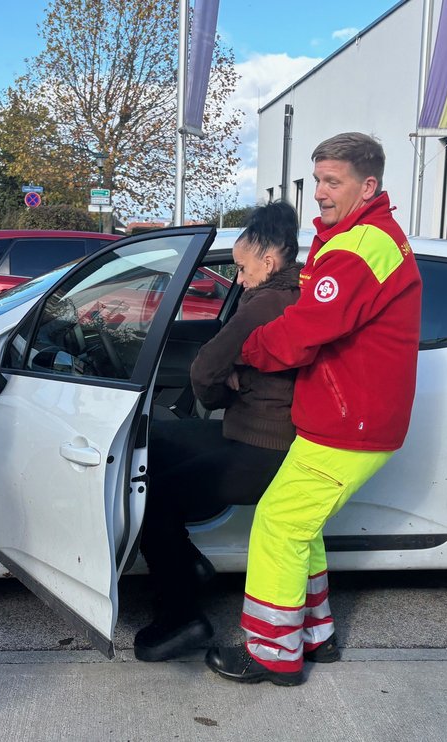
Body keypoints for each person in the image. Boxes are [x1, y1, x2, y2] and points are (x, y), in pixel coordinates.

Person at [205, 132, 423, 686]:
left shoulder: (359, 247)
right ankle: (314, 634)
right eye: (318, 180)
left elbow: (303, 331)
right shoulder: (353, 239)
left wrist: (246, 352)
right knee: (301, 527)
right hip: (345, 416)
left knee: (278, 523)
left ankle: (273, 653)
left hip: (350, 422)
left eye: (332, 181)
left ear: (367, 186)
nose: (321, 192)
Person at [135, 201, 302, 662]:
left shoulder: (267, 303)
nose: (239, 279)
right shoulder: (290, 294)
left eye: (243, 270)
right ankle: (186, 564)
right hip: (249, 431)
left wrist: (224, 391)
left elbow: (205, 369)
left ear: (269, 262)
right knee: (157, 446)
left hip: (261, 447)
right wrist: (234, 384)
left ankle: (182, 618)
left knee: (152, 498)